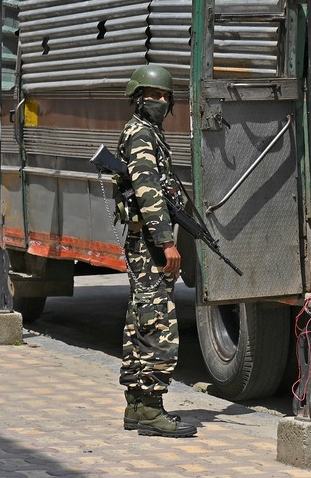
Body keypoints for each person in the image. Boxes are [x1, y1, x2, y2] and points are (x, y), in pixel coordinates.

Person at [115, 64, 196, 438]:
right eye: (153, 95)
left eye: (165, 96)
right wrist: (167, 243)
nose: (160, 101)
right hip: (150, 243)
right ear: (137, 98)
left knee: (141, 319)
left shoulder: (148, 133)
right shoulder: (141, 135)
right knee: (158, 322)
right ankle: (150, 409)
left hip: (145, 241)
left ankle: (136, 406)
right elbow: (148, 192)